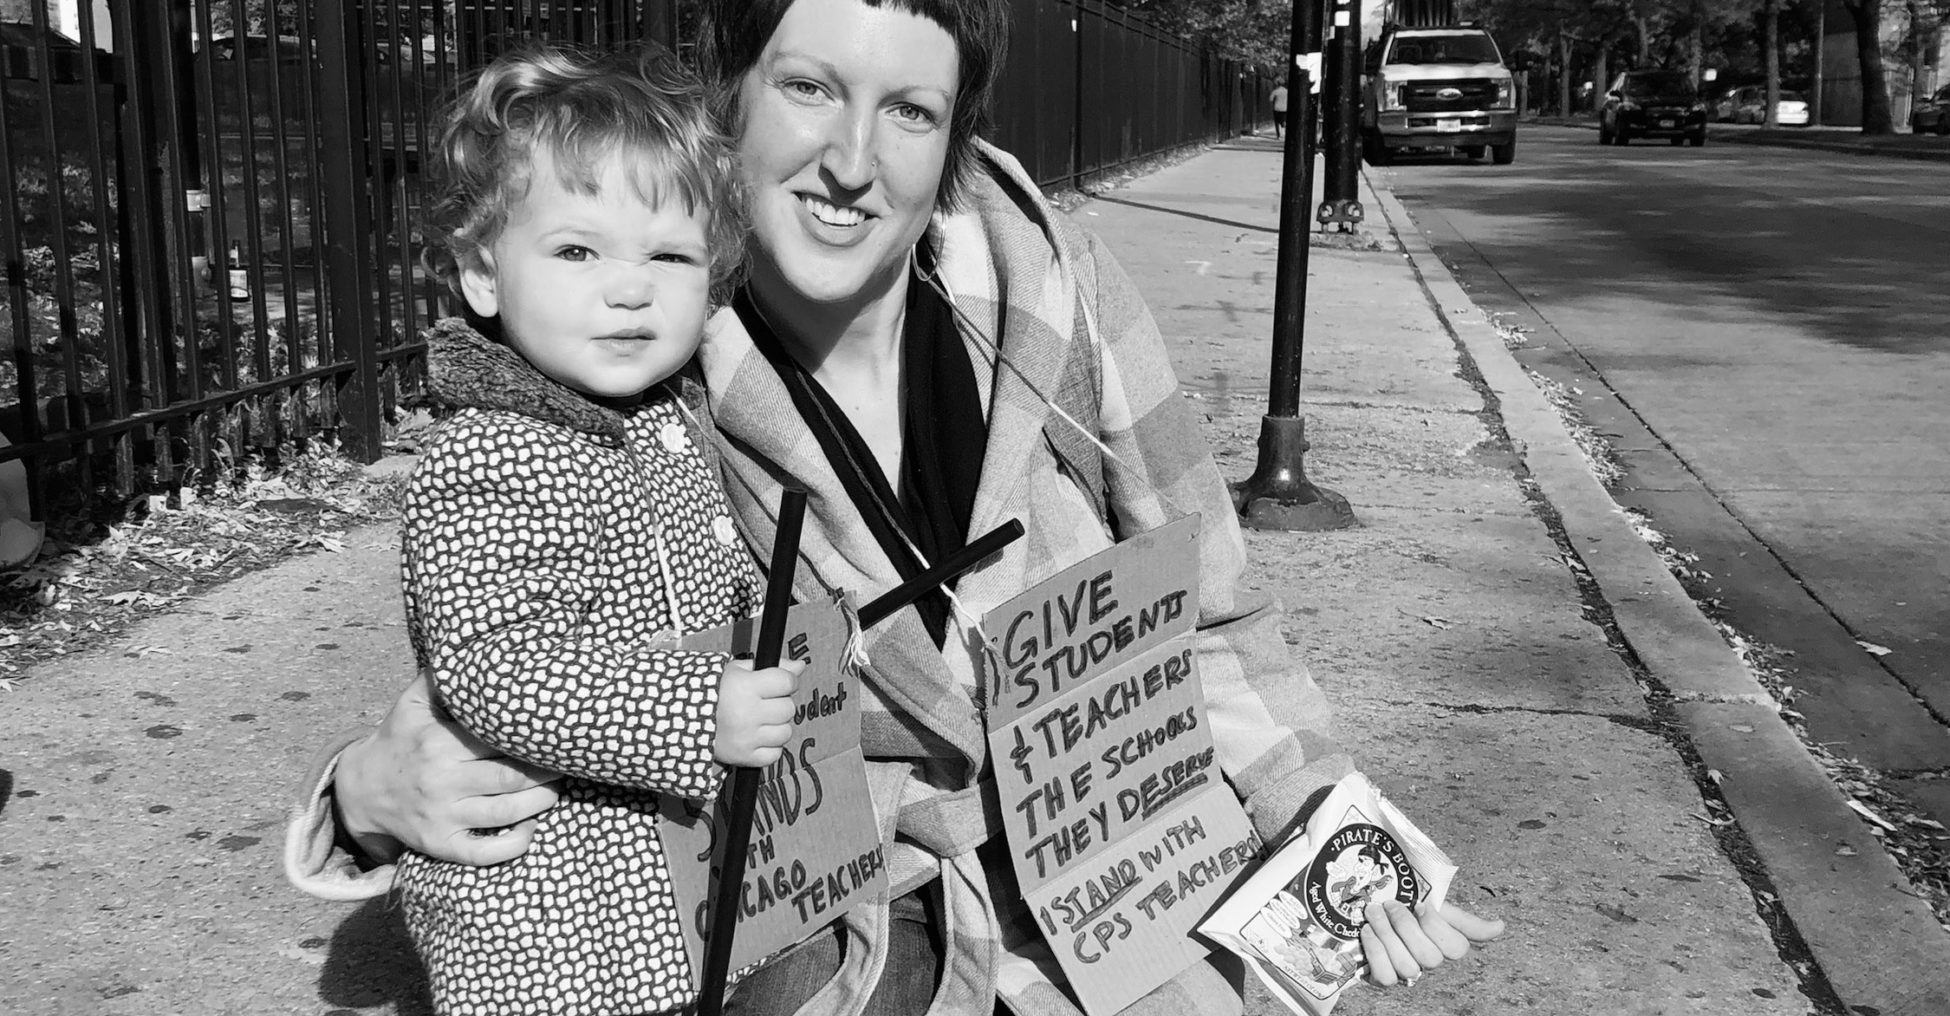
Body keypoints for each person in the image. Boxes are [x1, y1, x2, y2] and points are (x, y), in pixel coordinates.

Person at [284, 1, 1505, 1013]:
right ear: (731, 98)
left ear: (956, 138)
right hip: (859, 925)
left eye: (911, 111)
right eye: (809, 87)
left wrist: (1340, 838)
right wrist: (363, 794)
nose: (853, 162)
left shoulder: (1053, 295)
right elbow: (517, 644)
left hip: (1121, 878)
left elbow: (1214, 608)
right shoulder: (642, 355)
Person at [378, 43, 805, 1015]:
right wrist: (696, 711)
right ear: (482, 273)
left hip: (663, 887)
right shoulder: (492, 454)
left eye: (669, 255)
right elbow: (498, 665)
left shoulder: (668, 419)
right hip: (546, 922)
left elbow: (712, 576)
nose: (630, 288)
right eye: (578, 251)